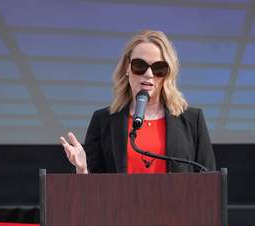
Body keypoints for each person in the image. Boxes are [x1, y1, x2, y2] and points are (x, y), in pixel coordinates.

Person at [60, 30, 216, 174]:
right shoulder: (103, 120)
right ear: (127, 68)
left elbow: (209, 182)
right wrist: (82, 169)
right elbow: (93, 190)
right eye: (139, 66)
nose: (148, 74)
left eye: (158, 68)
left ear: (167, 74)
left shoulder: (192, 120)